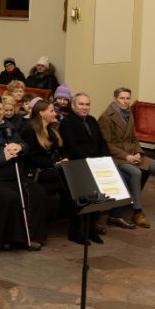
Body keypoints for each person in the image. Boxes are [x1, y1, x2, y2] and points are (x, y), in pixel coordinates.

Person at [98, 87, 155, 229]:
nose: (125, 101)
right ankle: (137, 212)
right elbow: (107, 144)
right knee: (136, 172)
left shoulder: (128, 114)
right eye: (122, 98)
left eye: (127, 98)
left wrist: (138, 152)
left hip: (133, 154)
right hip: (118, 157)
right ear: (115, 99)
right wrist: (127, 156)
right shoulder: (106, 117)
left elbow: (134, 138)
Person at [0, 92, 46, 251]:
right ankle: (11, 238)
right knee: (10, 197)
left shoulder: (8, 126)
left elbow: (26, 146)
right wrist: (1, 157)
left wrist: (19, 147)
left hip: (15, 176)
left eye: (0, 109)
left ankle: (31, 236)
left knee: (38, 192)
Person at [59, 93, 109, 245]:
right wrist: (89, 162)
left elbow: (101, 141)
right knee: (81, 199)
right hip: (78, 164)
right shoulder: (68, 122)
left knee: (98, 196)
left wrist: (104, 158)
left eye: (87, 104)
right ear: (73, 106)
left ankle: (91, 230)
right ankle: (75, 232)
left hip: (96, 163)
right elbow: (71, 146)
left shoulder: (92, 120)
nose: (85, 107)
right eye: (81, 104)